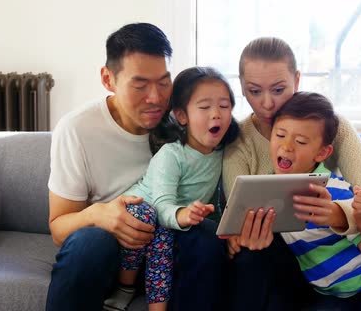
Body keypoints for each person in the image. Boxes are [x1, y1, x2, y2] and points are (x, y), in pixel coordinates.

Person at [46, 23, 228, 311]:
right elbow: (59, 228)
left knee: (206, 237)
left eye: (163, 82)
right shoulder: (77, 129)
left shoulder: (182, 120)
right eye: (140, 85)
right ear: (109, 79)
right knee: (90, 242)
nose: (155, 98)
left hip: (170, 250)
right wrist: (99, 214)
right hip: (115, 257)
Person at [222, 37, 361, 310]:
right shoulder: (238, 142)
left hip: (338, 240)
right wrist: (242, 234)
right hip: (291, 257)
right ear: (242, 88)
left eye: (279, 89)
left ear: (297, 80)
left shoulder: (331, 127)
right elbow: (240, 213)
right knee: (249, 255)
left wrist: (339, 215)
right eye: (254, 91)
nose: (268, 103)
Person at [102, 66, 239, 311]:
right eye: (205, 107)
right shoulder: (172, 155)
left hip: (173, 224)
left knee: (174, 234)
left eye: (224, 106)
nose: (216, 114)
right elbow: (162, 204)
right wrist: (182, 215)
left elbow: (216, 204)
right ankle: (125, 287)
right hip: (142, 212)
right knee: (155, 223)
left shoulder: (222, 152)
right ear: (182, 116)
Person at [271, 91, 361, 309]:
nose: (286, 147)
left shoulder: (335, 191)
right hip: (333, 293)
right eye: (280, 135)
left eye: (301, 141)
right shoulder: (268, 192)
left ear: (323, 153)